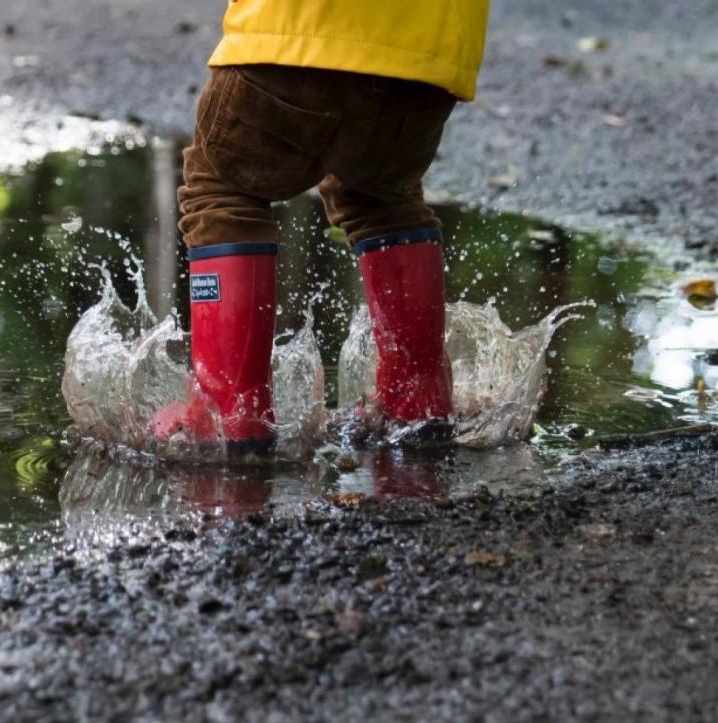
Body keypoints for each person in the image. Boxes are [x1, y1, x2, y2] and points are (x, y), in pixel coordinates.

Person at [152, 1, 490, 455]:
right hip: (428, 59)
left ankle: (226, 413)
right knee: (383, 198)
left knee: (222, 188)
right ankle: (416, 401)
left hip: (301, 29)